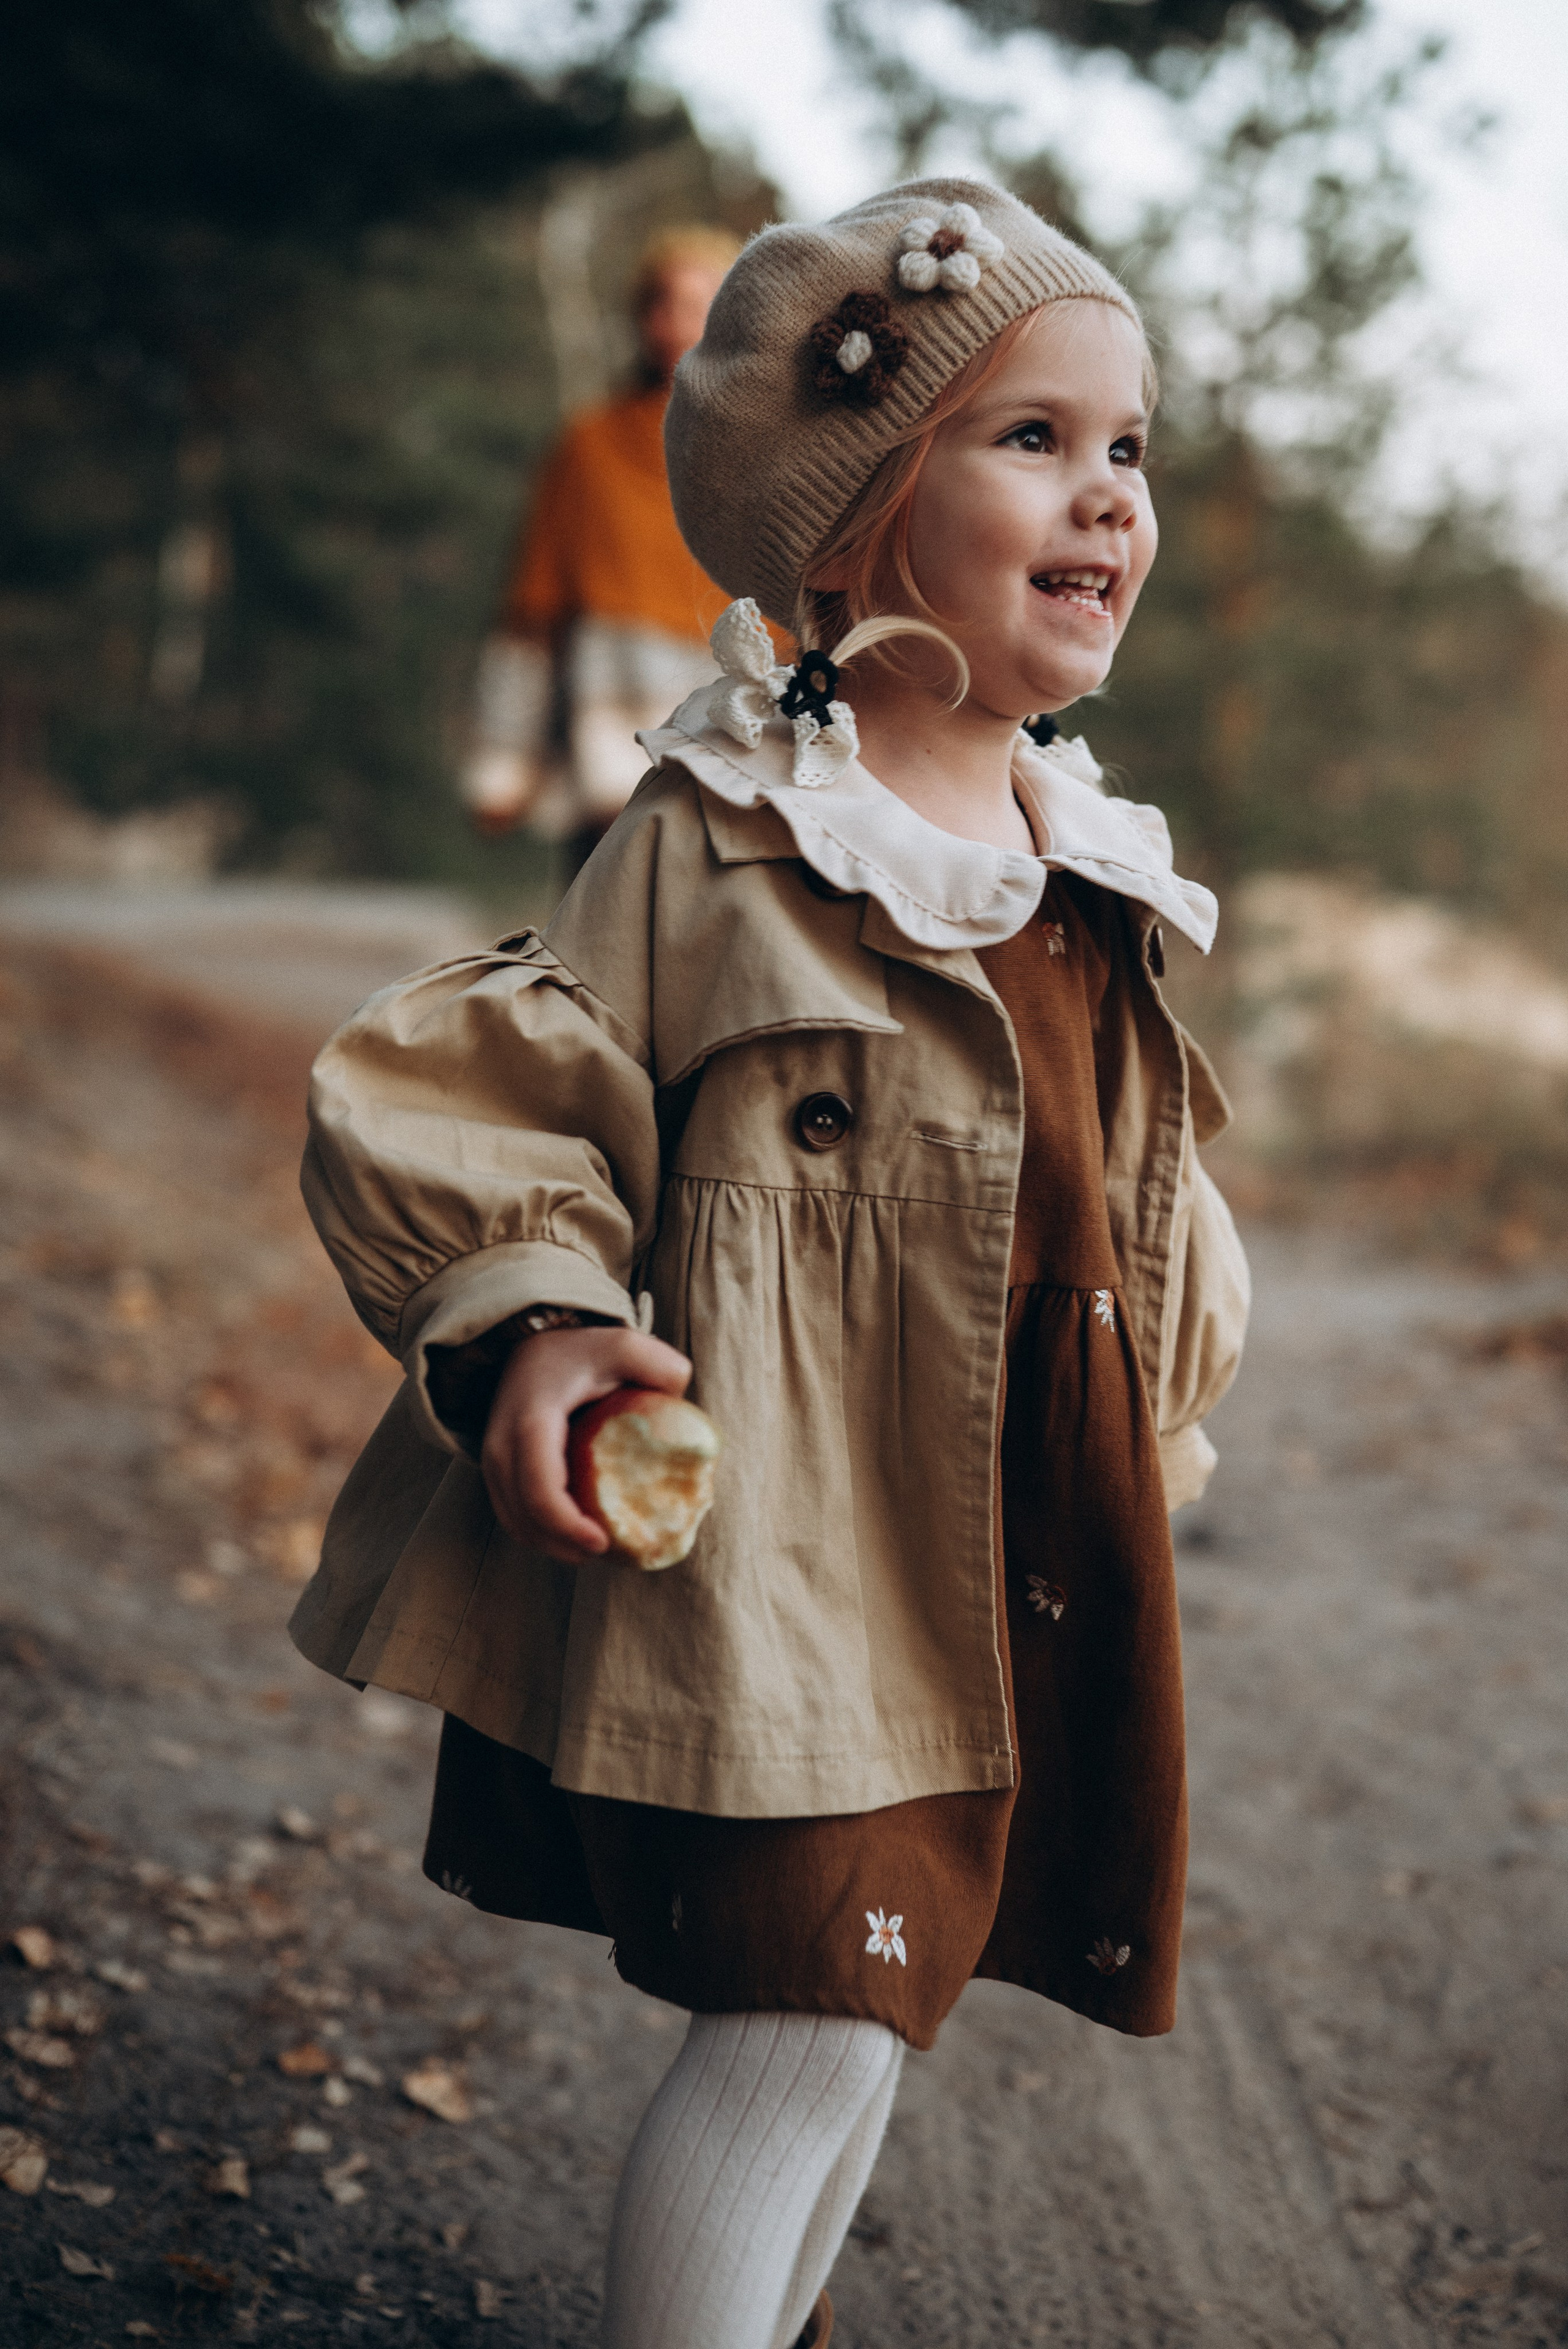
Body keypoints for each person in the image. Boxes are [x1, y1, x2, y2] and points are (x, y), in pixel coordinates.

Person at [292, 179, 1251, 2349]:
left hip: (993, 1543)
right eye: (1032, 441)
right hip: (783, 1551)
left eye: (1132, 451)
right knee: (808, 2011)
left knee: (872, 2003)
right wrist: (538, 1320)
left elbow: (1130, 1190)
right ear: (852, 515)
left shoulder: (1082, 866)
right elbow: (501, 1089)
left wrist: (1167, 1394)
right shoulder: (727, 834)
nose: (1107, 499)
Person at [461, 224, 744, 869]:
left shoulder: (771, 462)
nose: (676, 322)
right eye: (661, 302)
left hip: (739, 776)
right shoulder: (588, 449)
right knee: (600, 959)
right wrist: (502, 765)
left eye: (701, 303)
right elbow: (533, 617)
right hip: (608, 777)